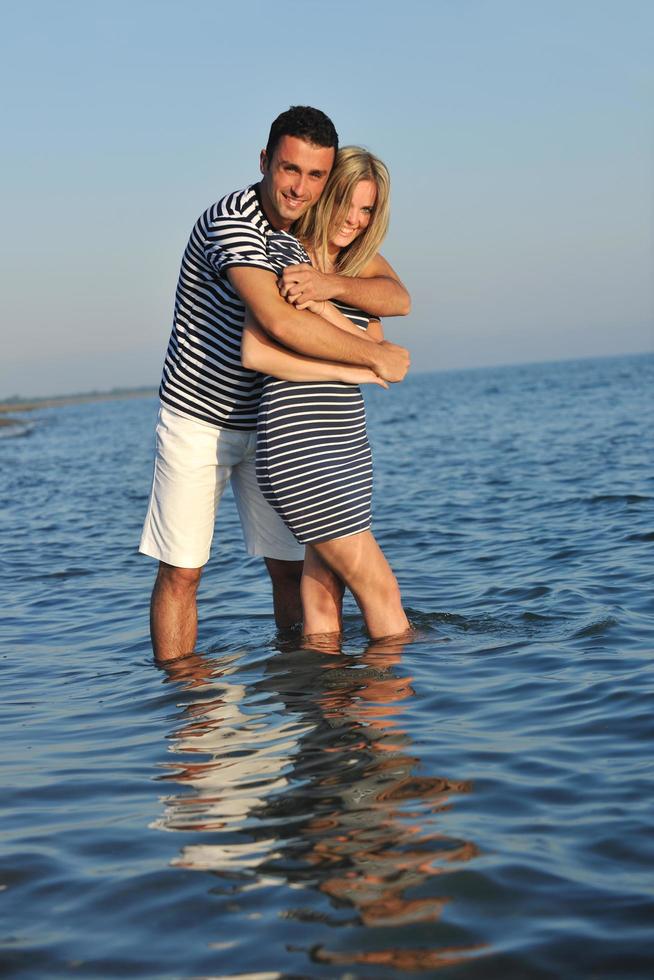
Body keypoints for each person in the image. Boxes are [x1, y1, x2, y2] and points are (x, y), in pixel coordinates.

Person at [140, 107, 410, 663]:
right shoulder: (234, 222)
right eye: (290, 170)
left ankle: (301, 688)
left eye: (315, 176)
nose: (300, 187)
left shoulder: (306, 234)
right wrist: (373, 360)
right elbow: (278, 324)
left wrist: (337, 286)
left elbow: (394, 295)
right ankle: (185, 714)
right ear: (265, 161)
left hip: (270, 419)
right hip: (199, 415)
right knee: (184, 570)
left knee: (292, 570)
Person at [241, 147, 411, 640]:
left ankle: (328, 712)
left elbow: (393, 311)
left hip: (347, 443)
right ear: (326, 194)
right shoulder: (285, 255)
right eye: (347, 204)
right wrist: (357, 370)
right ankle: (391, 711)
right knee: (381, 591)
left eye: (367, 210)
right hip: (300, 445)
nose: (354, 220)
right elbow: (256, 353)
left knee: (321, 595)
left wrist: (331, 294)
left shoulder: (352, 268)